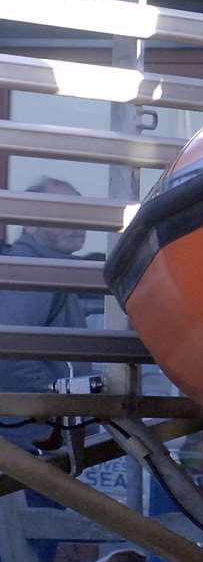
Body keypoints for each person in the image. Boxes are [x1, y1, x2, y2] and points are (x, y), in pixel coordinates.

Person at [1, 178, 101, 434]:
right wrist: (57, 397)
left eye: (80, 213)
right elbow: (9, 352)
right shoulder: (32, 271)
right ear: (29, 222)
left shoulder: (52, 269)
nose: (76, 225)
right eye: (63, 213)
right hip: (35, 441)